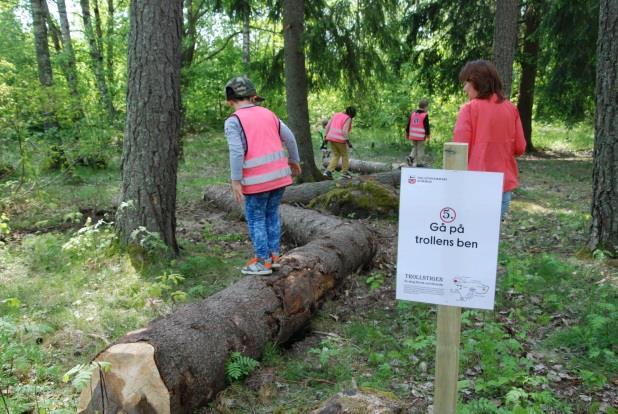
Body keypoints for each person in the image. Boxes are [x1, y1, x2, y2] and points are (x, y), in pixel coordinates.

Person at [223, 76, 302, 275]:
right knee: (272, 214)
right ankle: (274, 256)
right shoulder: (269, 113)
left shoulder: (234, 121)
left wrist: (235, 180)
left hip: (257, 182)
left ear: (229, 101)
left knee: (256, 218)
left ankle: (262, 261)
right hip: (280, 177)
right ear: (253, 97)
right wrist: (294, 161)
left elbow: (237, 152)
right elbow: (290, 138)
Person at [452, 60, 526, 218]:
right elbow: (520, 148)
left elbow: (459, 152)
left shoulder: (469, 109)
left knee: (472, 238)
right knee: (491, 240)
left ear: (478, 81)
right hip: (503, 186)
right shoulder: (511, 109)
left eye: (467, 82)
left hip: (474, 185)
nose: (465, 88)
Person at [323, 106, 357, 179]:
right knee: (345, 155)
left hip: (331, 137)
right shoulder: (348, 118)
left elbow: (328, 126)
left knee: (336, 155)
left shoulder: (336, 115)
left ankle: (328, 171)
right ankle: (344, 172)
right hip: (339, 139)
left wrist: (325, 136)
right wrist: (348, 142)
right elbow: (344, 131)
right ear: (352, 114)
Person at [406, 99, 431, 167]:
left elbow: (408, 124)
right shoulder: (424, 115)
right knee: (420, 149)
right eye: (427, 107)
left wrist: (407, 133)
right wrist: (428, 134)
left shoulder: (413, 114)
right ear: (425, 107)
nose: (427, 109)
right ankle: (419, 163)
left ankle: (410, 157)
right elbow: (426, 126)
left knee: (415, 147)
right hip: (420, 136)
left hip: (413, 135)